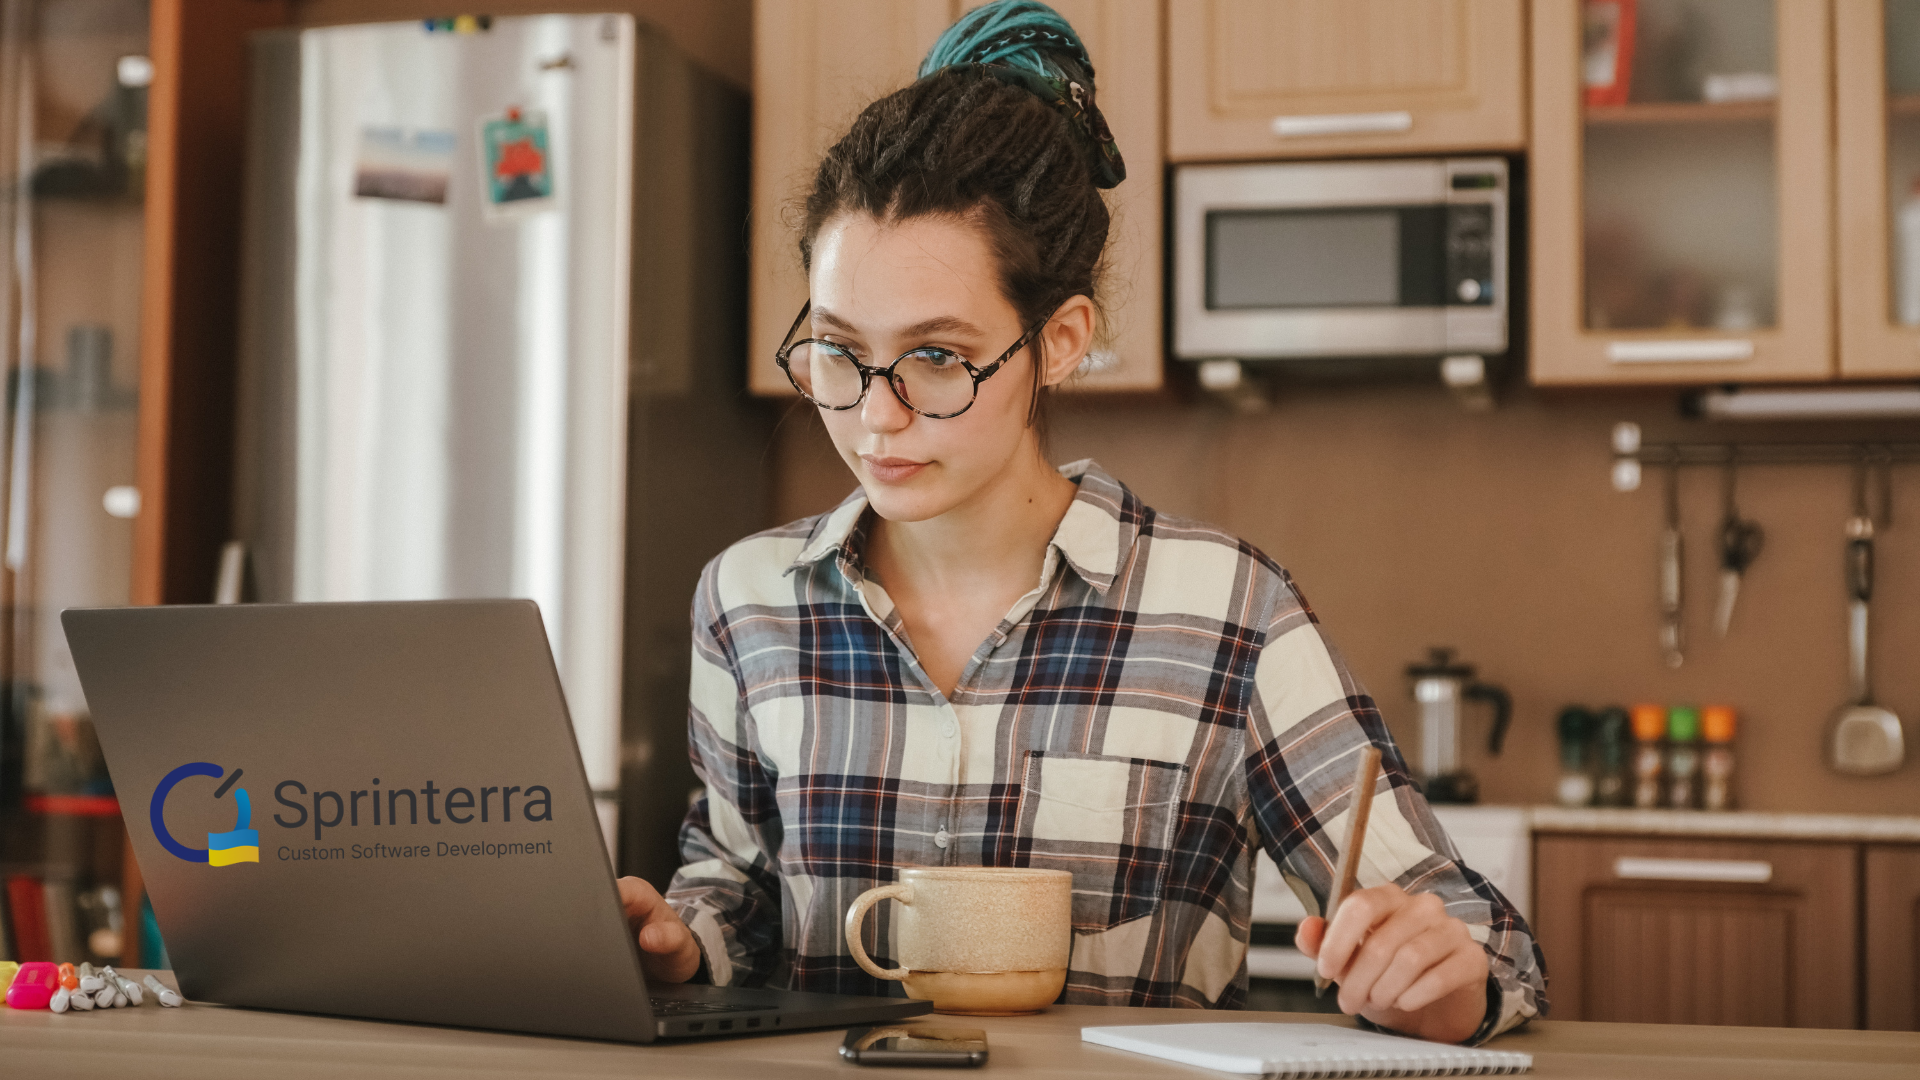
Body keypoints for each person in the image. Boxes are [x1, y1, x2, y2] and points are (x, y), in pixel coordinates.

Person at [614, 0, 1546, 1045]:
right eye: (838, 350)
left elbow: (1481, 938)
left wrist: (1432, 975)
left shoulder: (1229, 611)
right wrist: (677, 941)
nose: (875, 415)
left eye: (937, 357)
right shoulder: (748, 601)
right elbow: (732, 894)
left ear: (1058, 342)